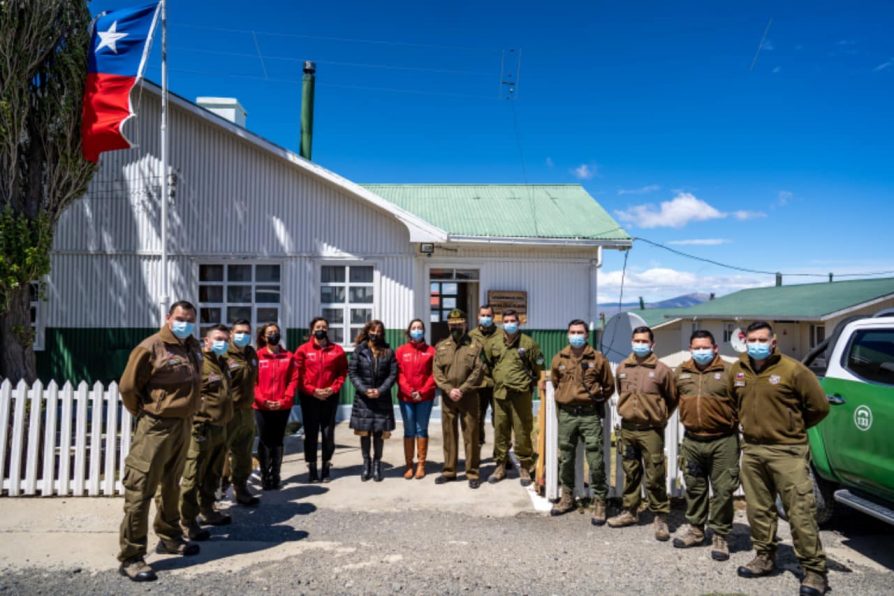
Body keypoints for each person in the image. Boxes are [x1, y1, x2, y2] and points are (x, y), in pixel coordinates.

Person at [729, 321, 830, 596]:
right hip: (752, 450)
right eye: (752, 339)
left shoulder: (793, 370)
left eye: (762, 339)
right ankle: (764, 556)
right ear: (745, 341)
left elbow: (819, 407)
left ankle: (814, 571)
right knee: (758, 509)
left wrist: (791, 428)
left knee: (800, 511)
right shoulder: (737, 370)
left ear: (773, 342)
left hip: (787, 451)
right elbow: (732, 402)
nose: (757, 344)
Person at [117, 300, 203, 582]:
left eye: (190, 319)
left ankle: (170, 536)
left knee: (170, 485)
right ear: (168, 318)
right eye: (180, 318)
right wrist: (145, 412)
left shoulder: (192, 345)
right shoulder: (150, 347)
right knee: (140, 488)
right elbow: (129, 387)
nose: (185, 323)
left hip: (183, 425)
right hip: (155, 427)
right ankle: (131, 557)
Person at [607, 325, 678, 542]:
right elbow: (621, 392)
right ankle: (630, 511)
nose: (640, 344)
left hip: (651, 430)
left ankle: (660, 516)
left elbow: (672, 398)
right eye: (636, 340)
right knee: (631, 471)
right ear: (631, 342)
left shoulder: (662, 370)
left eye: (644, 341)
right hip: (629, 428)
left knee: (655, 473)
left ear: (652, 344)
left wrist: (659, 415)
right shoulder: (622, 368)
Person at [672, 330, 737, 561]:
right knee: (694, 486)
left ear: (715, 348)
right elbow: (671, 400)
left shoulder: (730, 371)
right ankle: (697, 530)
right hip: (692, 440)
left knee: (723, 490)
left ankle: (720, 535)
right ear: (691, 349)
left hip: (723, 440)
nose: (701, 351)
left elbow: (743, 402)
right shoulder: (681, 372)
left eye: (705, 347)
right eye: (696, 348)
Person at [547, 319, 615, 524]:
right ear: (568, 334)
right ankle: (567, 497)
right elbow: (557, 382)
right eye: (572, 332)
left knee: (595, 458)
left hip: (589, 414)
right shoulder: (560, 358)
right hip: (567, 414)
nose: (576, 335)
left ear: (586, 335)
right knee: (566, 457)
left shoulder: (598, 359)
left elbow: (609, 386)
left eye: (580, 332)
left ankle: (600, 501)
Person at [180, 324, 235, 540]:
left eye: (225, 339)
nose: (223, 343)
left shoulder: (222, 363)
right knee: (193, 476)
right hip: (200, 428)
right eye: (218, 338)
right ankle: (187, 521)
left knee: (213, 473)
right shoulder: (199, 364)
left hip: (219, 428)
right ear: (207, 341)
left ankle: (208, 510)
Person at [484, 309, 543, 486]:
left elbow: (538, 368)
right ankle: (500, 465)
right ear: (502, 322)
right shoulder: (493, 343)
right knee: (500, 430)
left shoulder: (529, 344)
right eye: (506, 320)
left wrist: (530, 385)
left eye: (513, 320)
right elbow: (487, 366)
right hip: (500, 394)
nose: (510, 323)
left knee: (522, 430)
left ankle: (524, 466)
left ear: (519, 322)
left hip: (521, 395)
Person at [433, 309, 485, 488]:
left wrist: (461, 389)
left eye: (459, 324)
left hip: (469, 396)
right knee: (449, 435)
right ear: (448, 325)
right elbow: (437, 371)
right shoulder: (441, 347)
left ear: (465, 325)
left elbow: (479, 370)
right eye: (452, 324)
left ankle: (472, 473)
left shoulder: (475, 345)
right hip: (448, 398)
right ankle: (449, 471)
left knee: (471, 434)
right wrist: (449, 389)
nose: (456, 327)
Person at [294, 316, 348, 483]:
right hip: (310, 397)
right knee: (310, 433)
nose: (321, 330)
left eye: (324, 327)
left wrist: (332, 389)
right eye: (318, 327)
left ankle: (326, 465)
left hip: (330, 397)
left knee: (327, 432)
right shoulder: (303, 350)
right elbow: (299, 375)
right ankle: (311, 466)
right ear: (312, 330)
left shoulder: (337, 350)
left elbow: (342, 373)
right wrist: (313, 391)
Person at [348, 320, 398, 482]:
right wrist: (365, 389)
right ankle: (366, 463)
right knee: (364, 433)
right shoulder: (359, 350)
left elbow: (392, 374)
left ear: (382, 334)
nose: (375, 334)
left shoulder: (388, 351)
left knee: (379, 433)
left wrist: (380, 390)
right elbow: (353, 373)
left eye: (378, 332)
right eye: (372, 331)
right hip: (364, 399)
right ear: (367, 331)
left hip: (381, 398)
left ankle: (377, 464)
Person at [253, 323, 298, 490]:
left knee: (278, 440)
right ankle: (265, 475)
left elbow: (293, 380)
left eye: (276, 332)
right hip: (261, 406)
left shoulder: (288, 356)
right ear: (264, 337)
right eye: (270, 333)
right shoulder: (257, 356)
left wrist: (285, 400)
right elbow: (253, 382)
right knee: (265, 440)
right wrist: (263, 400)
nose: (273, 335)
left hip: (282, 406)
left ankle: (276, 474)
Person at [222, 319, 260, 506]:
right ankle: (216, 489)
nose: (243, 336)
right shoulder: (223, 353)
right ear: (231, 333)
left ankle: (241, 487)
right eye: (239, 332)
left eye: (246, 332)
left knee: (243, 452)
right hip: (228, 412)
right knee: (220, 452)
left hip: (247, 411)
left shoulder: (251, 353)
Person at [396, 319, 437, 479]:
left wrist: (422, 391)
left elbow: (434, 374)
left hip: (425, 398)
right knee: (409, 430)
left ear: (424, 331)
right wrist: (410, 391)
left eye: (420, 327)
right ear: (409, 331)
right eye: (414, 328)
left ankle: (421, 465)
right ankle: (409, 465)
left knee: (421, 429)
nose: (417, 330)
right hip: (406, 397)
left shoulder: (431, 351)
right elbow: (399, 374)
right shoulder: (401, 351)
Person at [468, 304, 498, 447]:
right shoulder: (471, 335)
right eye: (483, 315)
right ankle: (477, 447)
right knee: (477, 417)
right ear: (478, 316)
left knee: (499, 418)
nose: (486, 318)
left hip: (496, 383)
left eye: (488, 315)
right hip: (478, 383)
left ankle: (501, 452)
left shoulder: (501, 335)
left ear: (493, 317)